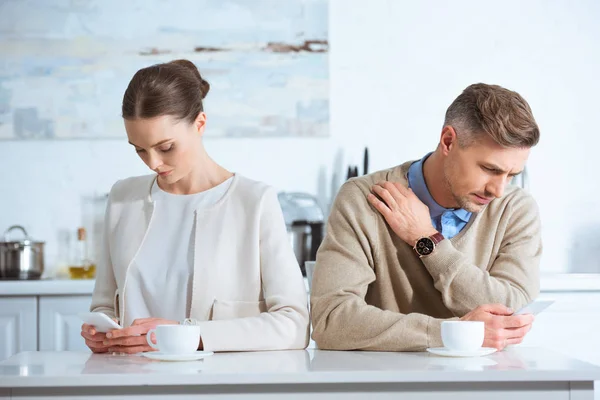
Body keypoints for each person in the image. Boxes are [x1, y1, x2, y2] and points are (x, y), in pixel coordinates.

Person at [81, 59, 309, 354]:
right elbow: (103, 304)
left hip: (216, 386)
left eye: (166, 147)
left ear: (200, 123)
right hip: (130, 383)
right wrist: (103, 330)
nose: (153, 163)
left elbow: (294, 325)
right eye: (139, 149)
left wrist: (187, 335)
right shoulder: (123, 198)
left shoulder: (254, 202)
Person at [311, 83, 541, 351]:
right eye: (489, 169)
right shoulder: (364, 199)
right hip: (384, 385)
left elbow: (506, 312)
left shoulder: (515, 210)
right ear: (448, 141)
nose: (498, 190)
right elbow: (331, 321)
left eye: (511, 175)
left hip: (482, 385)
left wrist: (426, 240)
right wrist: (448, 333)